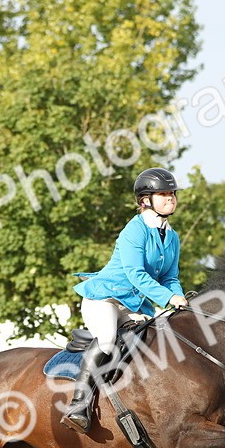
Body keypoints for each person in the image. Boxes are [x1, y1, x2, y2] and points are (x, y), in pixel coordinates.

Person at [61, 167, 188, 433]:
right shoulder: (135, 230)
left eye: (172, 193)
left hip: (133, 306)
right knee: (107, 340)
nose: (170, 198)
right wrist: (168, 297)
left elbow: (170, 276)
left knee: (157, 339)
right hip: (104, 299)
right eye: (163, 194)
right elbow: (135, 274)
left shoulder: (171, 236)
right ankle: (78, 404)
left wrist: (179, 297)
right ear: (145, 200)